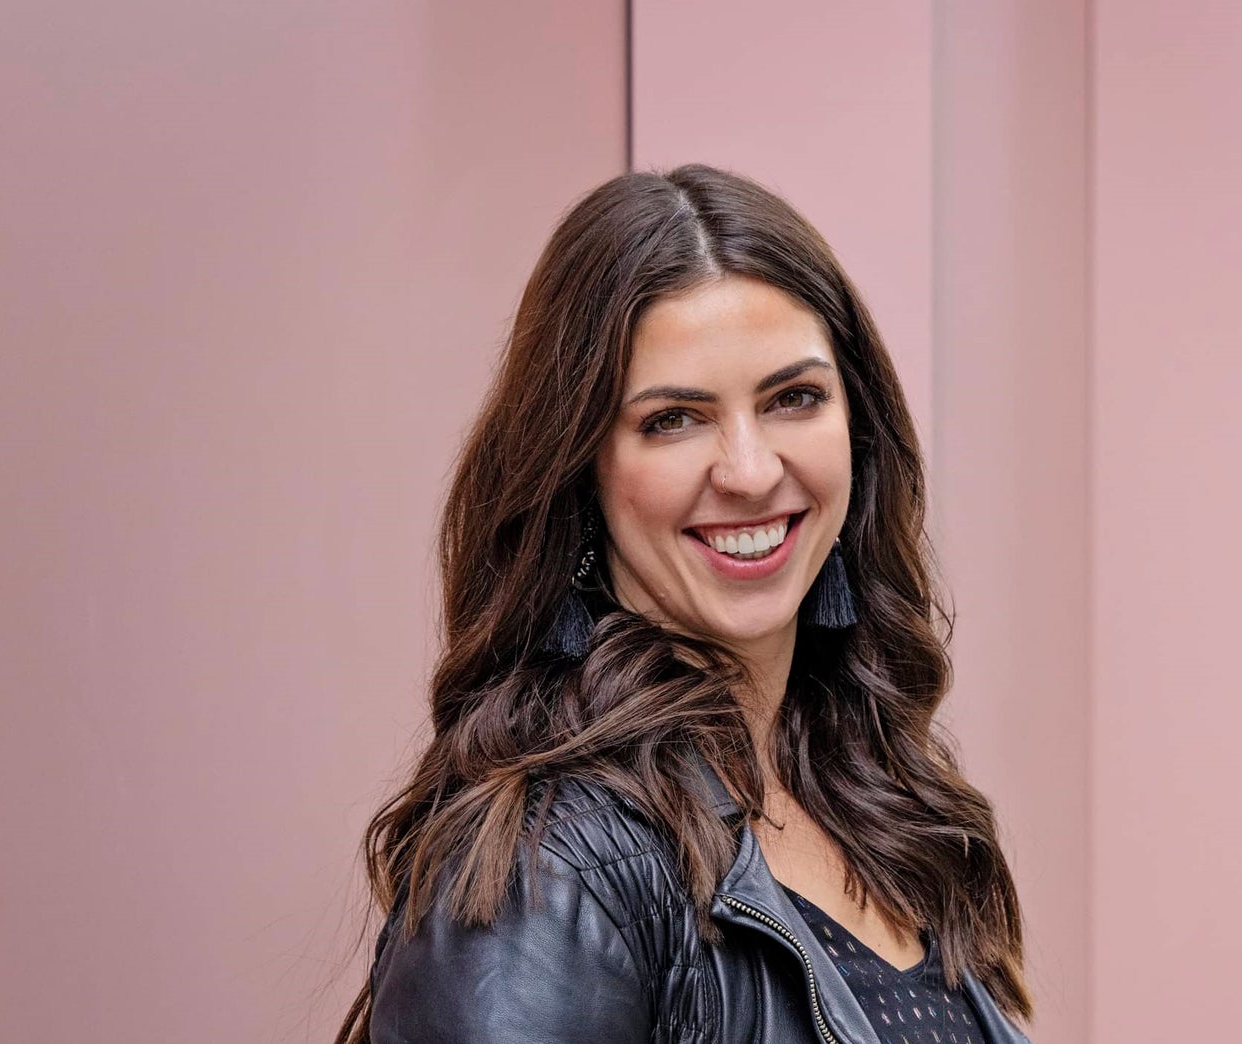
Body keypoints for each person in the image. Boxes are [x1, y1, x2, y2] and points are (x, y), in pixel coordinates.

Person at [333, 164, 1033, 1044]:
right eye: (673, 419)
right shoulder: (546, 870)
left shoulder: (888, 804)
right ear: (580, 470)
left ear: (857, 430)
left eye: (793, 398)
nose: (748, 470)